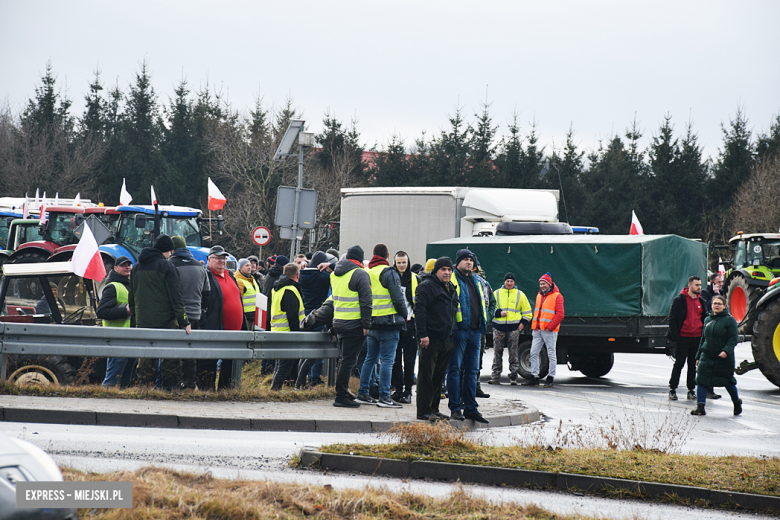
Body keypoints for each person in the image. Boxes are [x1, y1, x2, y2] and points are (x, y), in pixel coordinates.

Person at [128, 234, 191, 390]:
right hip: (166, 322)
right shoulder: (167, 267)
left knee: (145, 358)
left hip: (143, 322)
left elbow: (132, 297)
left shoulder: (137, 266)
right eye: (170, 251)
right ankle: (166, 391)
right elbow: (176, 298)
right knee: (169, 358)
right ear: (167, 250)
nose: (170, 255)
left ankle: (144, 391)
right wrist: (184, 321)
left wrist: (136, 320)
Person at [357, 244, 408, 408]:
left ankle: (363, 393)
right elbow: (398, 297)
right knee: (387, 361)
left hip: (372, 323)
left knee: (369, 359)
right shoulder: (389, 272)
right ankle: (385, 397)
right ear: (387, 256)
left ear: (373, 255)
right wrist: (404, 315)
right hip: (389, 323)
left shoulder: (367, 272)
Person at [415, 257, 459, 422]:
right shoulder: (426, 286)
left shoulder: (450, 288)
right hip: (430, 337)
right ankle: (423, 411)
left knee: (438, 376)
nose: (447, 272)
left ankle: (434, 408)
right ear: (436, 271)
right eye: (443, 269)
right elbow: (420, 312)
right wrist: (422, 334)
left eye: (449, 270)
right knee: (426, 374)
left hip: (446, 338)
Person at [448, 249, 489, 423]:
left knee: (473, 371)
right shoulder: (451, 279)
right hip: (459, 331)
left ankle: (471, 408)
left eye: (471, 260)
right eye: (465, 260)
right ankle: (455, 408)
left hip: (476, 331)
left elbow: (488, 303)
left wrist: (486, 320)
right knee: (455, 370)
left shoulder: (479, 281)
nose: (469, 262)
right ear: (457, 263)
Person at [330, 245, 372, 408]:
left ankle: (344, 390)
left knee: (344, 360)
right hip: (354, 324)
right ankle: (340, 396)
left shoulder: (335, 273)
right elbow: (366, 301)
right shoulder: (360, 273)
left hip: (339, 321)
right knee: (348, 361)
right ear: (360, 259)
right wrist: (366, 324)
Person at [199, 245, 245, 390]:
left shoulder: (230, 275)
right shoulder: (206, 275)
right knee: (208, 363)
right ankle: (207, 392)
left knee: (229, 365)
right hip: (214, 329)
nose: (221, 261)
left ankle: (226, 392)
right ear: (209, 260)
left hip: (234, 331)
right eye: (217, 258)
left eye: (224, 258)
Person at [169, 235, 210, 389]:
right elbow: (207, 293)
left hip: (176, 317)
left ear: (172, 249)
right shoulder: (199, 267)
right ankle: (191, 384)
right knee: (190, 351)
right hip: (196, 316)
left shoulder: (170, 265)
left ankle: (176, 385)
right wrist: (201, 309)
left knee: (174, 354)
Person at [691, 295, 742, 416]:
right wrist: (698, 356)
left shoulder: (730, 321)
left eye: (719, 303)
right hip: (707, 355)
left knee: (727, 381)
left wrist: (726, 351)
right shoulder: (707, 319)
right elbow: (703, 339)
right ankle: (700, 407)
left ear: (725, 306)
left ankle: (737, 402)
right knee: (702, 380)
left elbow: (733, 338)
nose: (716, 305)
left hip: (723, 357)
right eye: (715, 303)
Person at [665, 275, 706, 401]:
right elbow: (672, 319)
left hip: (696, 339)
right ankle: (672, 389)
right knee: (679, 364)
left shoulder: (702, 301)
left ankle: (691, 390)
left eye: (700, 285)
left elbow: (705, 319)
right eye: (696, 285)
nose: (699, 287)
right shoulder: (679, 300)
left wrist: (703, 337)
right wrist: (677, 337)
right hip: (683, 338)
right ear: (690, 286)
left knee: (692, 366)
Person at [297, 251, 332, 388]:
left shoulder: (303, 275)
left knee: (307, 350)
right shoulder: (324, 277)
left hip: (305, 314)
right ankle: (314, 378)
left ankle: (303, 379)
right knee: (318, 350)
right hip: (318, 314)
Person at [522, 272, 564, 388]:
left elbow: (560, 314)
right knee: (533, 353)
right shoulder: (539, 295)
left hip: (549, 330)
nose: (542, 286)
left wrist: (550, 327)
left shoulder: (557, 296)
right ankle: (534, 377)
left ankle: (550, 377)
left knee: (551, 354)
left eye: (544, 283)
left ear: (549, 284)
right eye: (540, 284)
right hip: (537, 329)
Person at [98, 256, 135, 388]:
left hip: (130, 338)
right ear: (115, 268)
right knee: (112, 380)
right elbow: (101, 312)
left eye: (129, 265)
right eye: (124, 265)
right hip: (117, 339)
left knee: (124, 381)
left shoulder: (129, 285)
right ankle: (104, 403)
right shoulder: (113, 287)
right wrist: (126, 311)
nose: (127, 267)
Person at [489, 272, 532, 385]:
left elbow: (528, 312)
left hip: (513, 329)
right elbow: (490, 308)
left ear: (514, 282)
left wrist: (521, 325)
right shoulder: (496, 293)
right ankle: (495, 376)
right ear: (504, 282)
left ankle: (513, 376)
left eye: (511, 281)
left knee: (513, 353)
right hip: (498, 327)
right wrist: (498, 313)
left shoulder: (520, 294)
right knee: (497, 352)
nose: (509, 283)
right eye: (507, 281)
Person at [270, 263, 306, 391]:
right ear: (297, 275)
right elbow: (293, 316)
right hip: (287, 332)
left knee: (280, 364)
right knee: (285, 366)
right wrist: (296, 334)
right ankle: (275, 390)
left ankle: (274, 389)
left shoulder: (277, 288)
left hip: (277, 330)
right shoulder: (291, 290)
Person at [391, 251, 418, 404]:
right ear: (394, 263)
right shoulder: (390, 276)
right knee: (395, 360)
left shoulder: (415, 278)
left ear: (408, 263)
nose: (401, 265)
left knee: (409, 361)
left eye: (404, 262)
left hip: (410, 324)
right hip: (394, 324)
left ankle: (408, 391)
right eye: (399, 262)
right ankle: (398, 389)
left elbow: (419, 304)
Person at [235, 258, 261, 327]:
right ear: (240, 268)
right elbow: (238, 300)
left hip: (256, 315)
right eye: (246, 265)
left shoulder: (252, 279)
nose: (249, 267)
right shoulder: (239, 281)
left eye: (249, 265)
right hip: (246, 317)